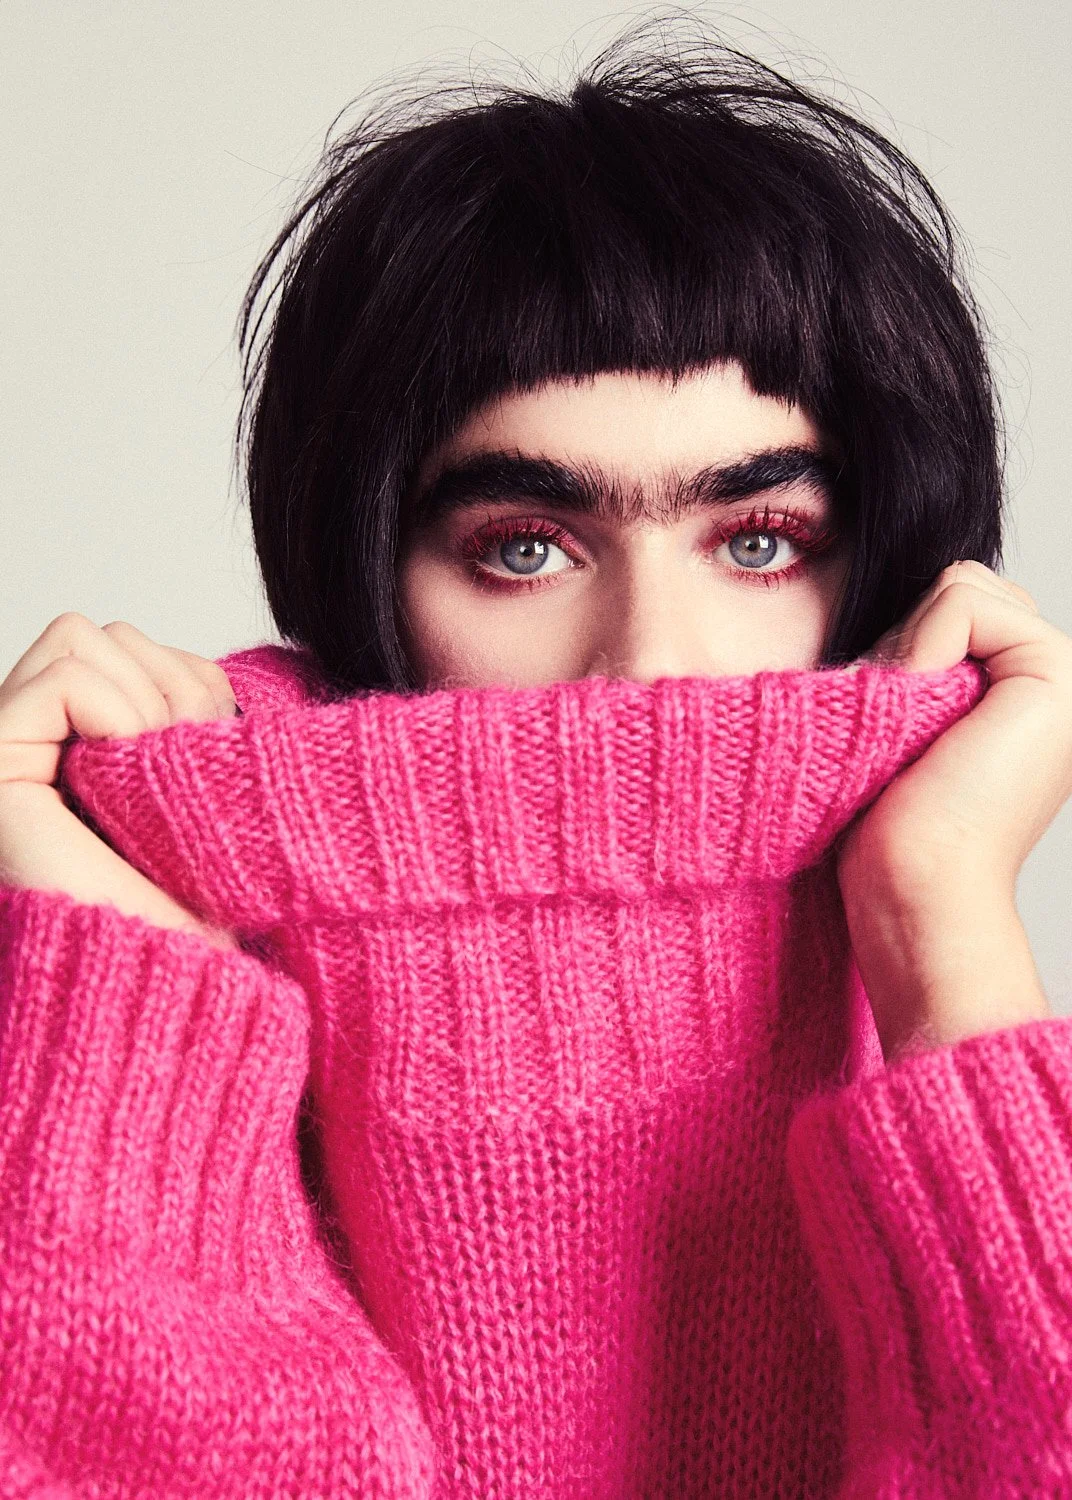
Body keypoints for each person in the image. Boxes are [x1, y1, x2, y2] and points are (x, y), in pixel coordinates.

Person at [2, 19, 1072, 1497]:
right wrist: (120, 1005)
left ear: (885, 571)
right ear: (370, 571)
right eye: (524, 548)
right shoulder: (155, 959)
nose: (652, 663)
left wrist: (940, 924)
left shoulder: (928, 925)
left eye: (760, 540)